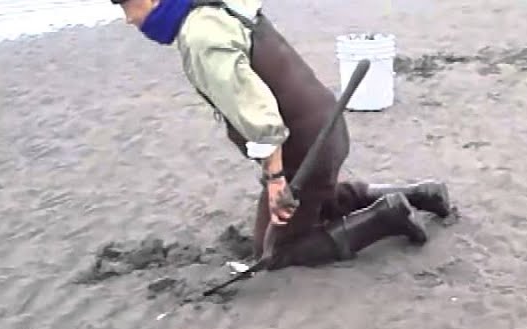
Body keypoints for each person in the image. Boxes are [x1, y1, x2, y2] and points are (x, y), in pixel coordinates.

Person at [113, 0, 452, 268]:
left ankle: (387, 216)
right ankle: (421, 194)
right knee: (318, 199)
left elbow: (260, 114)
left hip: (303, 148)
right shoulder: (217, 5)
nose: (128, 18)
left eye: (127, 4)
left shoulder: (200, 38)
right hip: (327, 125)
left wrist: (276, 179)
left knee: (274, 251)